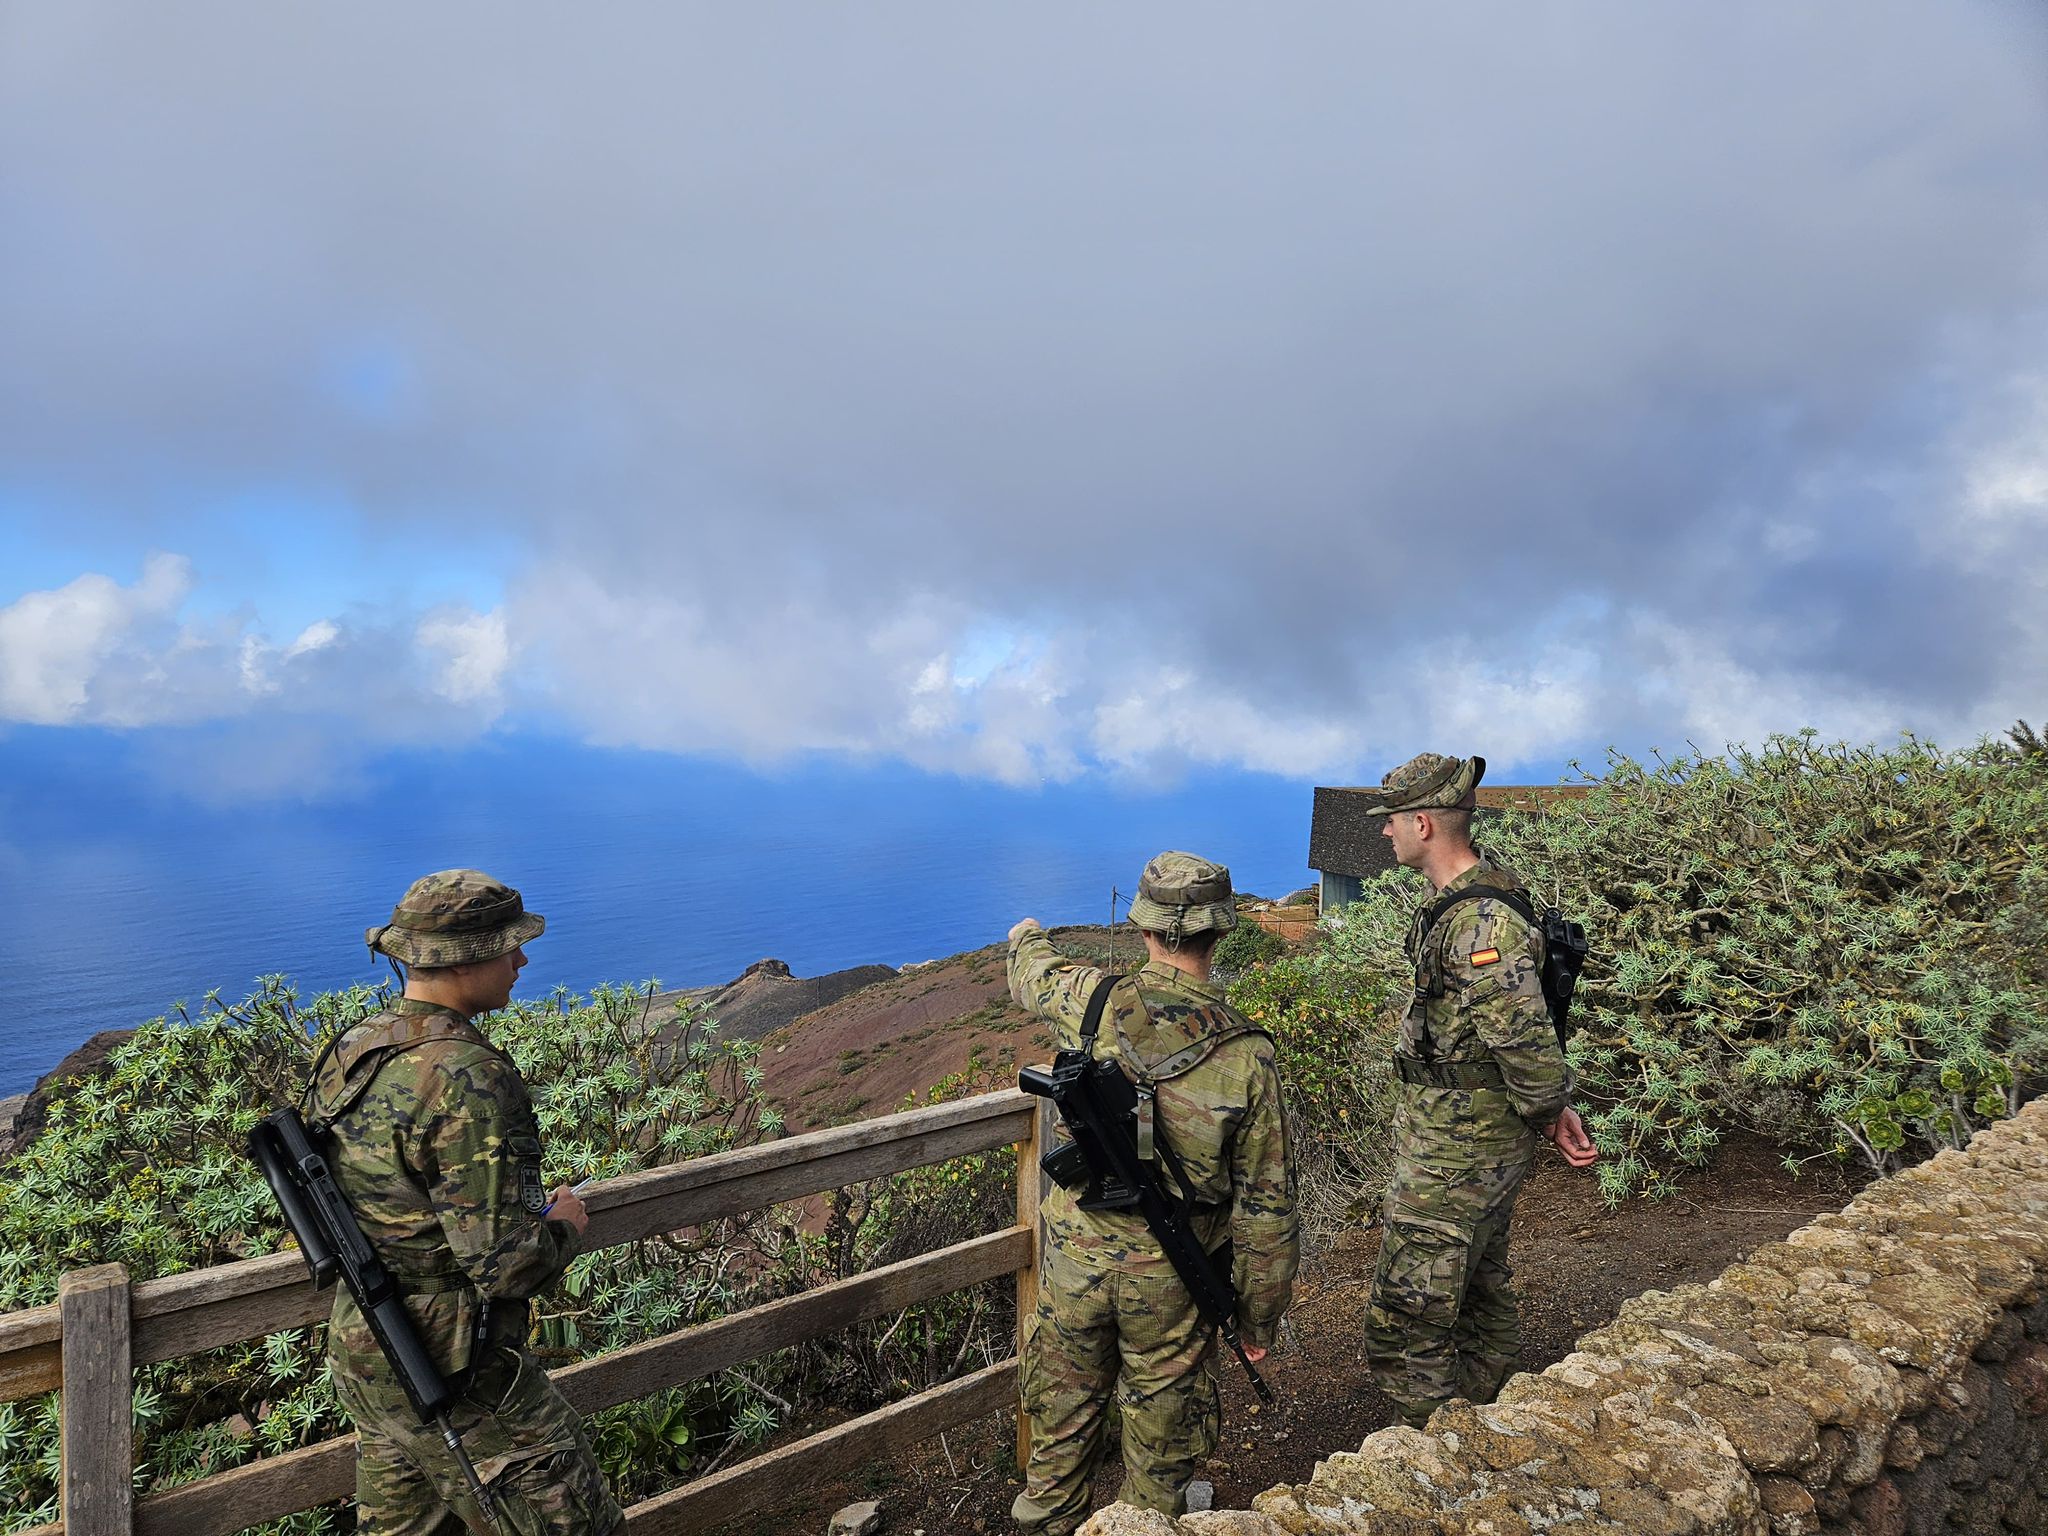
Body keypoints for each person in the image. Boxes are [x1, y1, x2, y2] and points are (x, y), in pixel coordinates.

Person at [305, 869, 623, 1535]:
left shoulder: (356, 1048)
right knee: (575, 1521)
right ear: (464, 960)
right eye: (509, 946)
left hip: (367, 1345)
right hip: (455, 1362)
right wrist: (563, 1224)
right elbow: (507, 1266)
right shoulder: (469, 1075)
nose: (522, 959)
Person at [1006, 852, 1299, 1535]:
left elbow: (1030, 971)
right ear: (1218, 932)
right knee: (1161, 1463)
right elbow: (1266, 1212)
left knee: (1057, 1439)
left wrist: (1026, 931)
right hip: (1175, 1281)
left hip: (1075, 1263)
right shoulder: (1247, 1055)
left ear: (1144, 928)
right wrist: (1257, 1319)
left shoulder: (1091, 999)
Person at [1358, 753, 1598, 1430]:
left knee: (1409, 1315)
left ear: (1425, 824)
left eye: (1393, 822)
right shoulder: (1476, 900)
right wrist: (1548, 1108)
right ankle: (1490, 1416)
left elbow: (1522, 1036)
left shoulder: (1481, 924)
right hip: (1465, 1131)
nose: (1386, 834)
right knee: (1477, 1276)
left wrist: (1550, 1108)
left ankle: (1434, 1452)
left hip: (1459, 1144)